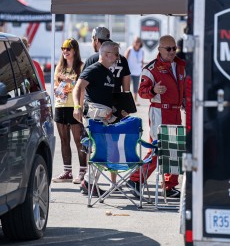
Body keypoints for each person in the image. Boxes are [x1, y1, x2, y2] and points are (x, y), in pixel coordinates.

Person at [127, 35, 186, 198]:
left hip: (175, 111)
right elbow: (141, 92)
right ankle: (135, 179)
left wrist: (185, 100)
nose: (172, 52)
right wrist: (153, 91)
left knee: (175, 147)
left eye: (174, 48)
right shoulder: (151, 68)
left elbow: (185, 87)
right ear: (159, 49)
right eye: (169, 49)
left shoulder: (181, 65)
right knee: (158, 147)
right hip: (160, 111)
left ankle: (169, 185)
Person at [73, 41, 120, 196]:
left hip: (104, 117)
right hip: (93, 117)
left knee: (105, 149)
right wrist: (77, 107)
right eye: (116, 53)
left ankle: (89, 182)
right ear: (106, 55)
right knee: (99, 149)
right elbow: (78, 88)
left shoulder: (109, 73)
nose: (118, 57)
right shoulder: (93, 69)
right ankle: (88, 182)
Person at [52, 38, 87, 184]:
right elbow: (56, 86)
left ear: (75, 50)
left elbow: (83, 87)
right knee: (64, 139)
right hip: (60, 105)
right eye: (63, 48)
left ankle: (83, 171)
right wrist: (57, 90)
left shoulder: (81, 66)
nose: (65, 51)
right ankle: (67, 171)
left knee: (78, 140)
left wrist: (79, 106)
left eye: (68, 48)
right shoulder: (59, 66)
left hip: (75, 106)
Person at [124, 36, 144, 105]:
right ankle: (126, 100)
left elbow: (142, 61)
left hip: (137, 72)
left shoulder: (142, 51)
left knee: (136, 87)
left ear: (140, 43)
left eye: (138, 42)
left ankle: (135, 101)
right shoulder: (130, 49)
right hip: (129, 72)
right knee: (127, 87)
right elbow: (124, 59)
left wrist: (142, 68)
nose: (137, 43)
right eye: (135, 41)